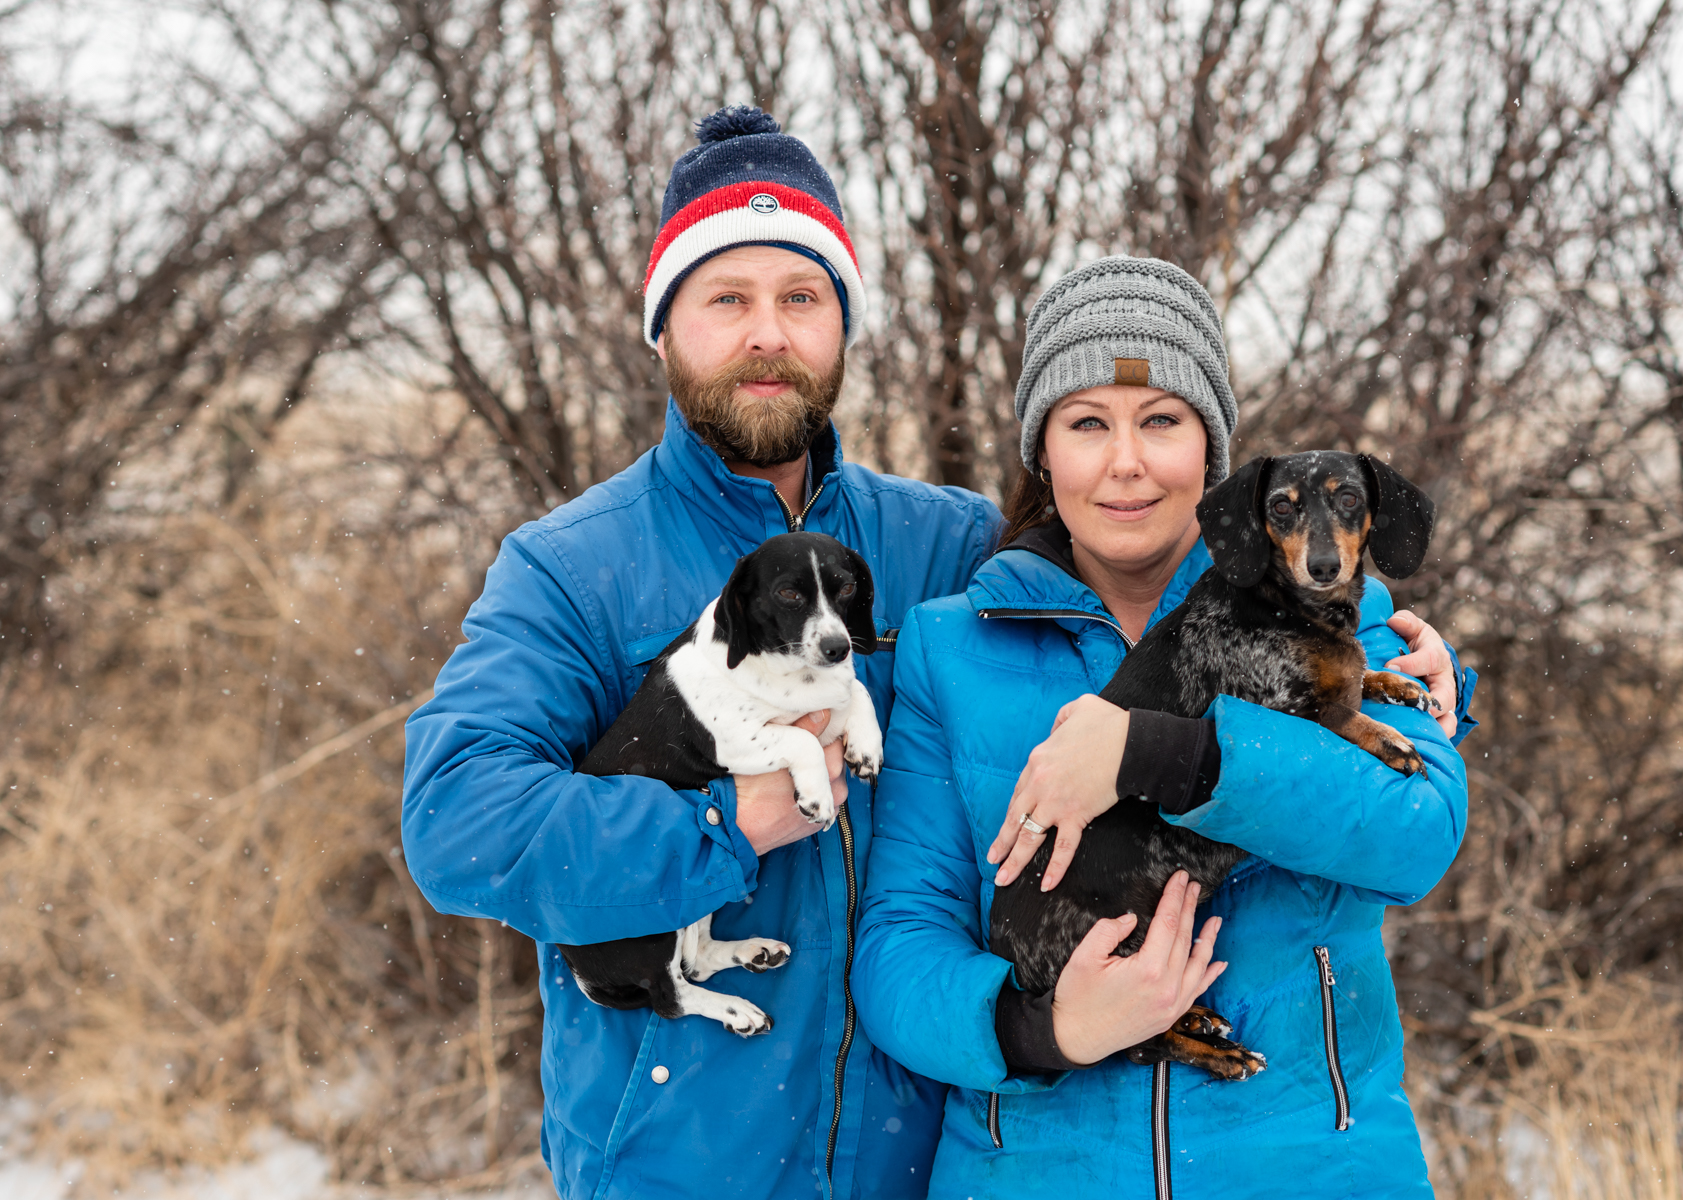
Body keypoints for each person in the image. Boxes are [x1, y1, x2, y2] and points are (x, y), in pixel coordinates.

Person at [401, 106, 1005, 1199]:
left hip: (922, 1159)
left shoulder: (943, 543)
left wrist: (1371, 635)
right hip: (678, 1165)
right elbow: (457, 822)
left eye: (801, 298)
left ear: (840, 329)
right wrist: (726, 822)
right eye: (727, 299)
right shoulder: (574, 567)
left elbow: (1134, 589)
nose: (767, 334)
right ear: (665, 328)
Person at [851, 255, 1476, 1197]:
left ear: (1214, 453)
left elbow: (1417, 836)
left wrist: (1168, 755)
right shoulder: (950, 648)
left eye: (1162, 421)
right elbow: (901, 943)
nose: (1126, 461)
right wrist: (1044, 1030)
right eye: (1087, 423)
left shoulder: (1351, 613)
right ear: (1043, 451)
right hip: (1033, 1172)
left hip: (1308, 1168)